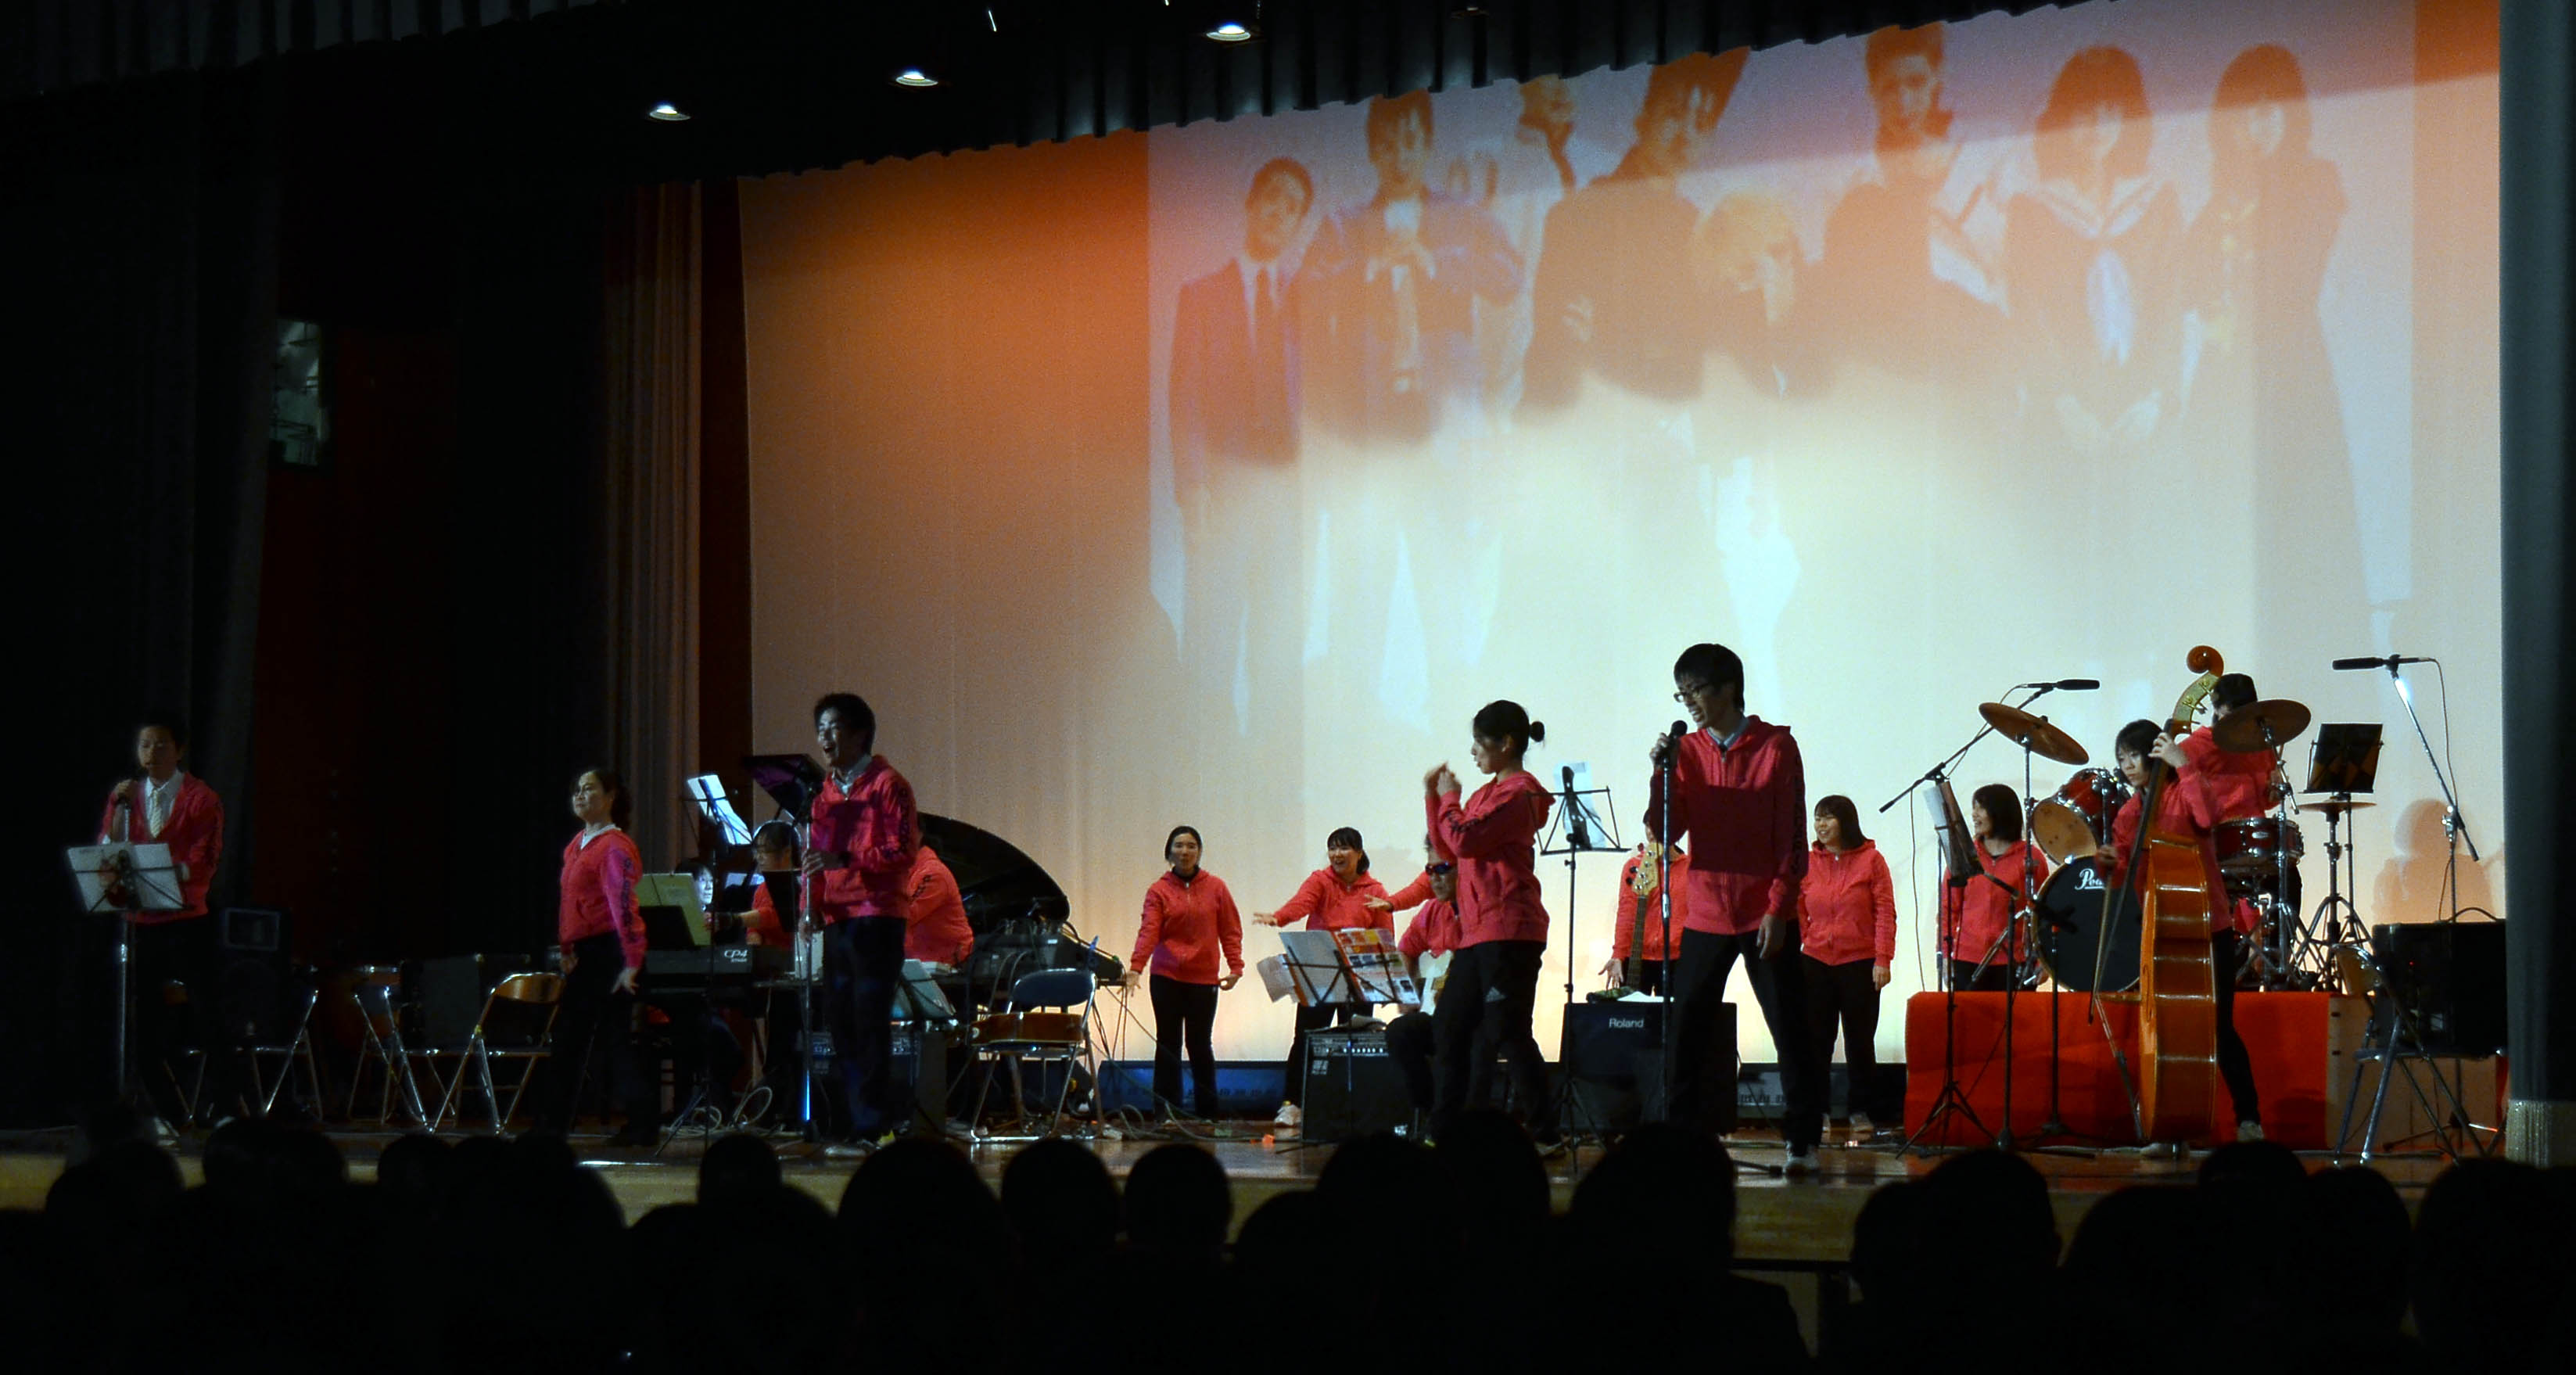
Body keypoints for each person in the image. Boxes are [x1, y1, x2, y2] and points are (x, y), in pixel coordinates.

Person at [1642, 643, 1822, 1169]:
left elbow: (1792, 833)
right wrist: (1661, 773)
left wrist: (1778, 906)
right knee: (1686, 1030)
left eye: (1696, 690)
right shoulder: (1687, 751)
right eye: (1682, 693)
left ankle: (1803, 1140)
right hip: (1705, 912)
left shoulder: (1776, 747)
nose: (1689, 702)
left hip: (1764, 909)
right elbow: (1665, 831)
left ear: (1728, 689)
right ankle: (1682, 1137)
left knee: (1789, 1028)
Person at [1301, 89, 1522, 443]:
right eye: (1387, 146)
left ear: (1428, 145)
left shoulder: (1462, 213)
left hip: (1450, 399)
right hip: (1367, 402)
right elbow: (1304, 296)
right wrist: (1371, 267)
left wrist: (1434, 263)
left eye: (1410, 142)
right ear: (1372, 153)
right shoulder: (1343, 224)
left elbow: (1510, 277)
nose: (1400, 158)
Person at [2104, 717, 2262, 1142]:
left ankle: (2249, 1119)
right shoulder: (2129, 814)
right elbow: (2124, 872)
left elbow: (2208, 818)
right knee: (2168, 1032)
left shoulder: (2181, 789)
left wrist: (2183, 764)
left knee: (2219, 1027)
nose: (2127, 766)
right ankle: (2169, 1125)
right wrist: (2107, 864)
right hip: (2160, 930)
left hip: (2208, 923)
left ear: (2154, 754)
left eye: (2133, 756)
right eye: (2121, 759)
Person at [1423, 700, 1556, 1143]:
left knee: (1507, 1032)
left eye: (1480, 742)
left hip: (1510, 928)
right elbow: (1448, 849)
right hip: (1477, 932)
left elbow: (1465, 839)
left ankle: (1546, 1134)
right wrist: (1434, 798)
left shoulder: (1519, 793)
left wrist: (1449, 799)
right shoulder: (1485, 794)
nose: (1474, 752)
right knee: (1449, 1027)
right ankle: (1446, 1130)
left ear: (1507, 743)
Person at [93, 713, 231, 1125]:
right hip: (141, 922)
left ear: (179, 750)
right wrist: (118, 810)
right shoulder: (125, 796)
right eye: (145, 745)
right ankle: (165, 1111)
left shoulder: (201, 798)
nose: (151, 752)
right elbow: (107, 849)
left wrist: (160, 871)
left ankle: (225, 1107)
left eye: (160, 744)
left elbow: (204, 861)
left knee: (209, 1016)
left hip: (188, 921)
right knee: (139, 1022)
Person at [803, 692, 923, 1149]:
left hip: (877, 916)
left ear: (859, 733)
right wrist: (810, 906)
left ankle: (873, 1124)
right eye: (820, 729)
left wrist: (847, 859)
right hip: (838, 918)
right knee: (840, 1022)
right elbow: (815, 859)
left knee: (869, 1020)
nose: (824, 738)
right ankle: (854, 1120)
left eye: (833, 727)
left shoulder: (890, 785)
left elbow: (902, 852)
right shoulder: (825, 794)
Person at [531, 766, 660, 1145]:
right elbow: (570, 903)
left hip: (611, 950)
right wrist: (566, 948)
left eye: (589, 789)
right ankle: (554, 1126)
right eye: (577, 790)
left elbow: (623, 905)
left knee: (609, 1041)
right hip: (587, 953)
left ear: (610, 798)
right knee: (573, 1040)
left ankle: (640, 1124)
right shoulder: (577, 844)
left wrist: (632, 961)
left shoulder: (614, 846)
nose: (580, 795)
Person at [1250, 826, 1391, 1128]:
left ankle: (1352, 1107)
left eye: (1344, 848)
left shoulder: (1376, 891)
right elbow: (1301, 903)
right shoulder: (1320, 880)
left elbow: (1384, 936)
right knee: (1305, 1039)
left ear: (1359, 853)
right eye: (1333, 848)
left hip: (1359, 978)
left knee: (1356, 1043)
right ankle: (1293, 1105)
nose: (1337, 854)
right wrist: (1279, 917)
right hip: (1319, 972)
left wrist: (1384, 978)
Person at [2172, 672, 2294, 979]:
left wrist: (2274, 791)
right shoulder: (2195, 748)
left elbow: (2264, 800)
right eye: (2233, 715)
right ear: (2218, 710)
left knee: (2289, 878)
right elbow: (2183, 802)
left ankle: (2277, 957)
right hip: (2217, 847)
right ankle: (2240, 961)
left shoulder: (2260, 744)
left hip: (2256, 842)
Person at [1123, 826, 1245, 1122]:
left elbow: (1230, 929)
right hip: (1166, 977)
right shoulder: (1158, 890)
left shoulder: (1216, 887)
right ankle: (1166, 1113)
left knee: (1200, 1045)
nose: (1185, 851)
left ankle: (1208, 1114)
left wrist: (1236, 966)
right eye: (1179, 846)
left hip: (1204, 979)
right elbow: (1149, 931)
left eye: (1191, 846)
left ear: (1200, 852)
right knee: (1168, 1044)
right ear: (1169, 853)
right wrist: (1136, 967)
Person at [1799, 794, 1897, 1135]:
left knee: (1860, 1042)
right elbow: (1798, 907)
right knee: (1816, 1042)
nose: (1821, 825)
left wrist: (1883, 959)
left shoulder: (1872, 860)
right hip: (1815, 961)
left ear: (1846, 822)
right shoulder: (1807, 861)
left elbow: (1885, 912)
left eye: (1828, 818)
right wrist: (1806, 939)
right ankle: (1818, 1110)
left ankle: (1860, 1110)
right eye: (1817, 818)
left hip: (1860, 962)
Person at [1939, 783, 2051, 992]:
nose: (1974, 815)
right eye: (1974, 808)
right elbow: (1948, 909)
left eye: (1981, 808)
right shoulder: (1964, 855)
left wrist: (2045, 960)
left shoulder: (2031, 857)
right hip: (1967, 960)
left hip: (2014, 961)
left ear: (2000, 812)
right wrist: (1945, 955)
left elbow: (2044, 913)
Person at [1380, 844, 1462, 1121]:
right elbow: (1405, 950)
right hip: (1438, 1014)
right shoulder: (1432, 910)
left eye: (1443, 869)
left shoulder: (1478, 911)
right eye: (1430, 870)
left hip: (1472, 1017)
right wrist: (1406, 993)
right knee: (1400, 1031)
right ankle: (1427, 1112)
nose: (1435, 878)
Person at [1601, 840, 1690, 994]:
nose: (1651, 832)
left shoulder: (1689, 868)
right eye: (1649, 829)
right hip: (1636, 956)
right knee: (1632, 1008)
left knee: (1676, 1009)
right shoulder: (1634, 865)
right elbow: (1626, 912)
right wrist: (1618, 955)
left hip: (1676, 958)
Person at [900, 841, 974, 967]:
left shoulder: (933, 873)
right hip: (924, 961)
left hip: (949, 964)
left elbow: (904, 916)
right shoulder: (909, 874)